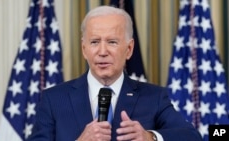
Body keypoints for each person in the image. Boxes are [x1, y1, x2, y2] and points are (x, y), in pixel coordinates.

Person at [27, 6, 202, 141]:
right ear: (84, 49)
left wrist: (150, 137)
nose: (102, 51)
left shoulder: (154, 97)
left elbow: (192, 136)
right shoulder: (54, 99)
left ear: (129, 49)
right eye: (95, 42)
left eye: (112, 42)